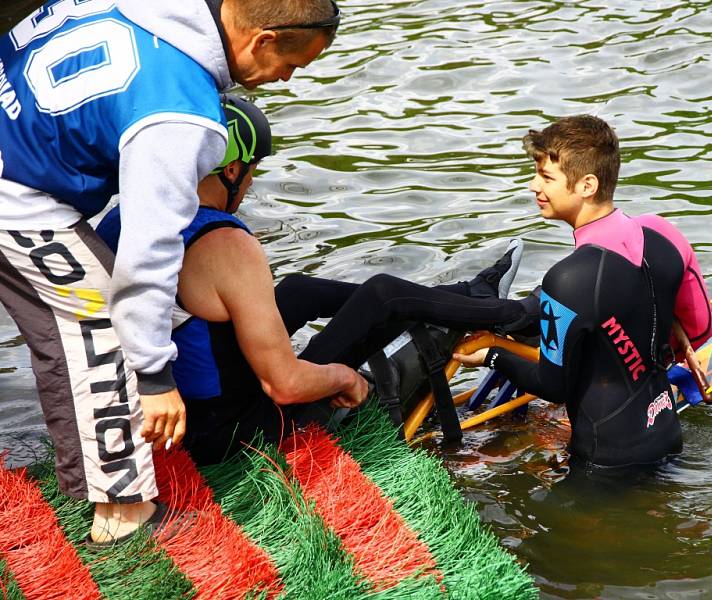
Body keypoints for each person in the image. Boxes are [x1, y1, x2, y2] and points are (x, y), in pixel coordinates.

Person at [0, 0, 341, 545]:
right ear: (266, 39)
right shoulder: (182, 112)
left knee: (61, 330)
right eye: (294, 65)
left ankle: (92, 468)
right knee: (101, 330)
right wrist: (155, 377)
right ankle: (123, 514)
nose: (284, 80)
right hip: (15, 195)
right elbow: (149, 248)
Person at [98, 95, 536, 466]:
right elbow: (284, 387)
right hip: (234, 435)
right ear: (231, 171)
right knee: (382, 293)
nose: (250, 184)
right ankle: (509, 313)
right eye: (252, 171)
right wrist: (343, 379)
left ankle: (450, 298)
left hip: (177, 407)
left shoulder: (126, 219)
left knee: (298, 291)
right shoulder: (225, 243)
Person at [455, 115, 712, 469]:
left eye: (546, 177)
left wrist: (491, 354)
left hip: (604, 462)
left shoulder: (568, 279)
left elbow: (553, 385)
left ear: (587, 185)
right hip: (666, 435)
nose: (533, 186)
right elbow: (701, 328)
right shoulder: (662, 233)